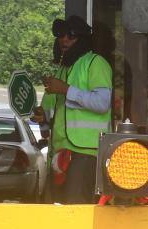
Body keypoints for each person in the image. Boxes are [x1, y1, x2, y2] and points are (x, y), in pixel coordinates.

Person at [37, 15, 112, 204]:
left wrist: (66, 89)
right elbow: (51, 115)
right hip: (59, 151)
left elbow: (102, 103)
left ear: (83, 40)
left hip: (86, 152)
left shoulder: (95, 63)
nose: (64, 40)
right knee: (58, 208)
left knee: (76, 208)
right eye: (61, 35)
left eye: (71, 36)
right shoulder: (62, 70)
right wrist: (42, 118)